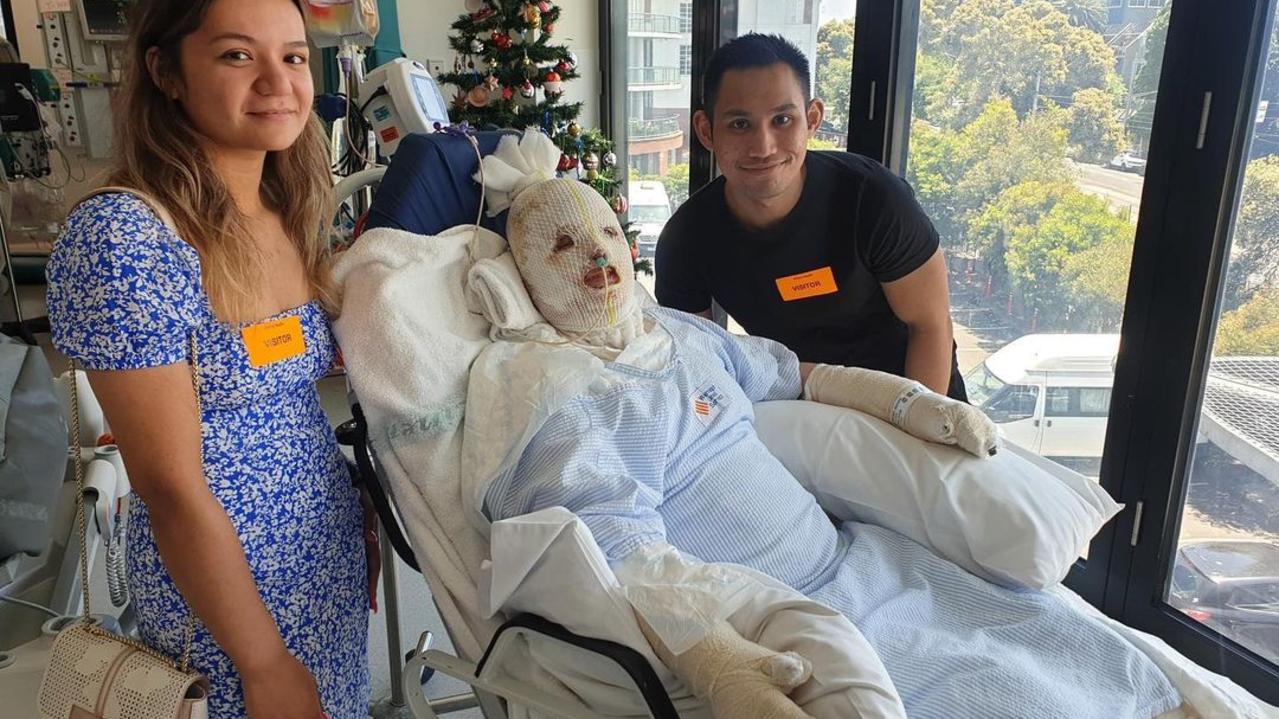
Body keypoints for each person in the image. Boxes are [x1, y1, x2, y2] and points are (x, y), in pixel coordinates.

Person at [457, 131, 1180, 718]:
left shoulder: (682, 335)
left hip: (853, 555)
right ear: (521, 279)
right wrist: (713, 659)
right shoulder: (560, 398)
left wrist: (912, 404)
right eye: (561, 247)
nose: (599, 262)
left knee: (1024, 631)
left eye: (607, 234)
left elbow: (797, 374)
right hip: (776, 612)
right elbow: (612, 550)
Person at [45, 1, 374, 717]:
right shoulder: (128, 238)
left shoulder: (284, 205)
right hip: (227, 600)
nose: (277, 83)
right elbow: (169, 485)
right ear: (165, 71)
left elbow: (289, 398)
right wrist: (262, 660)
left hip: (322, 560)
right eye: (235, 55)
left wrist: (358, 509)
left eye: (291, 56)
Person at [656, 33, 968, 401]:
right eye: (740, 124)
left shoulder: (873, 198)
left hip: (913, 390)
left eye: (783, 119)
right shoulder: (686, 240)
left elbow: (930, 326)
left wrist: (921, 426)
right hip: (803, 403)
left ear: (812, 119)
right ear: (707, 131)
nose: (764, 147)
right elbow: (699, 361)